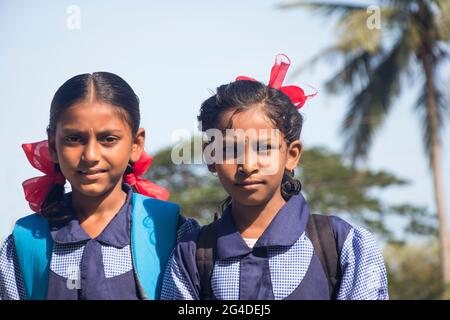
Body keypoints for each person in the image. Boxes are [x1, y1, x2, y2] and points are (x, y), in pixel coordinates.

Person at [161, 54, 388, 300]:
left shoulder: (342, 244)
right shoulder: (193, 253)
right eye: (229, 150)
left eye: (264, 148)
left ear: (291, 155)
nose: (247, 165)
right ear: (210, 158)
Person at [0, 72, 197, 300]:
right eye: (74, 139)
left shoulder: (174, 234)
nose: (91, 155)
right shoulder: (24, 243)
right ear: (53, 145)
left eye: (108, 139)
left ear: (136, 144)